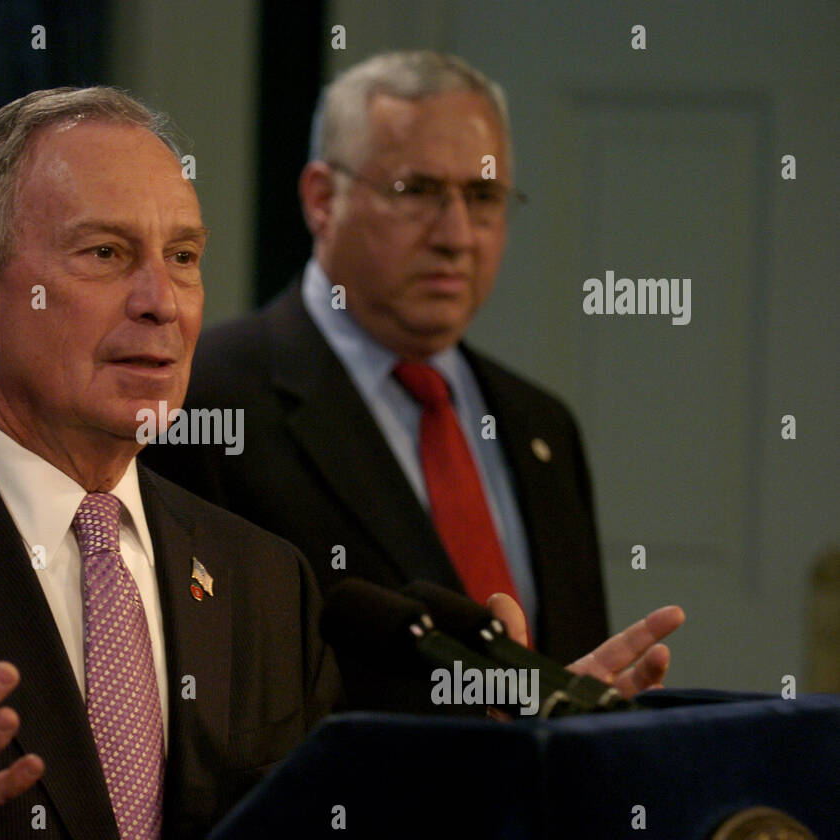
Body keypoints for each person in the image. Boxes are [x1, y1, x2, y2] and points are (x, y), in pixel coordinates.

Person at [0, 87, 677, 840]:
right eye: (107, 254)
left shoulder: (259, 579)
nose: (164, 302)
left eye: (185, 257)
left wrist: (526, 754)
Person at [143, 51, 607, 665]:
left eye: (484, 196)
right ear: (321, 200)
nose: (457, 236)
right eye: (416, 191)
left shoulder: (542, 425)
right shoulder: (200, 399)